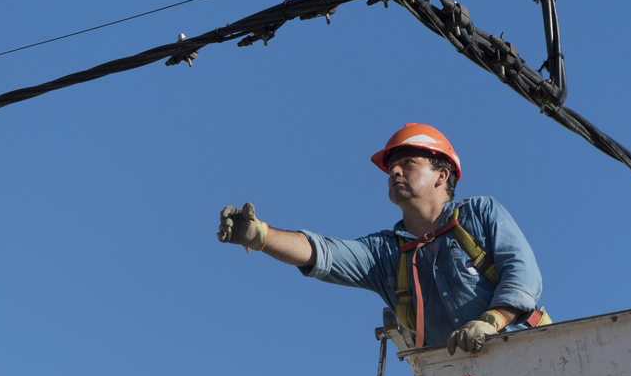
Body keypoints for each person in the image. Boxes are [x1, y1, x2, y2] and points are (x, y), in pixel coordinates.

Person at [216, 124, 547, 354]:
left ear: (441, 175)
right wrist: (261, 235)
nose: (394, 172)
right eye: (392, 168)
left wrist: (492, 322)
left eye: (408, 164)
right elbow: (323, 254)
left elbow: (522, 274)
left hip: (529, 353)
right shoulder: (387, 253)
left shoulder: (480, 214)